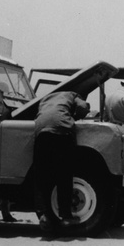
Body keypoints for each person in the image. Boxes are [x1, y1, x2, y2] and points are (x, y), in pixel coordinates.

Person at [32, 90, 90, 232]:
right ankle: (65, 216)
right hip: (61, 132)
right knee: (64, 175)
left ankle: (44, 215)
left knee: (42, 177)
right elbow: (83, 107)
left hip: (41, 132)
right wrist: (74, 117)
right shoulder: (74, 95)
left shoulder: (45, 98)